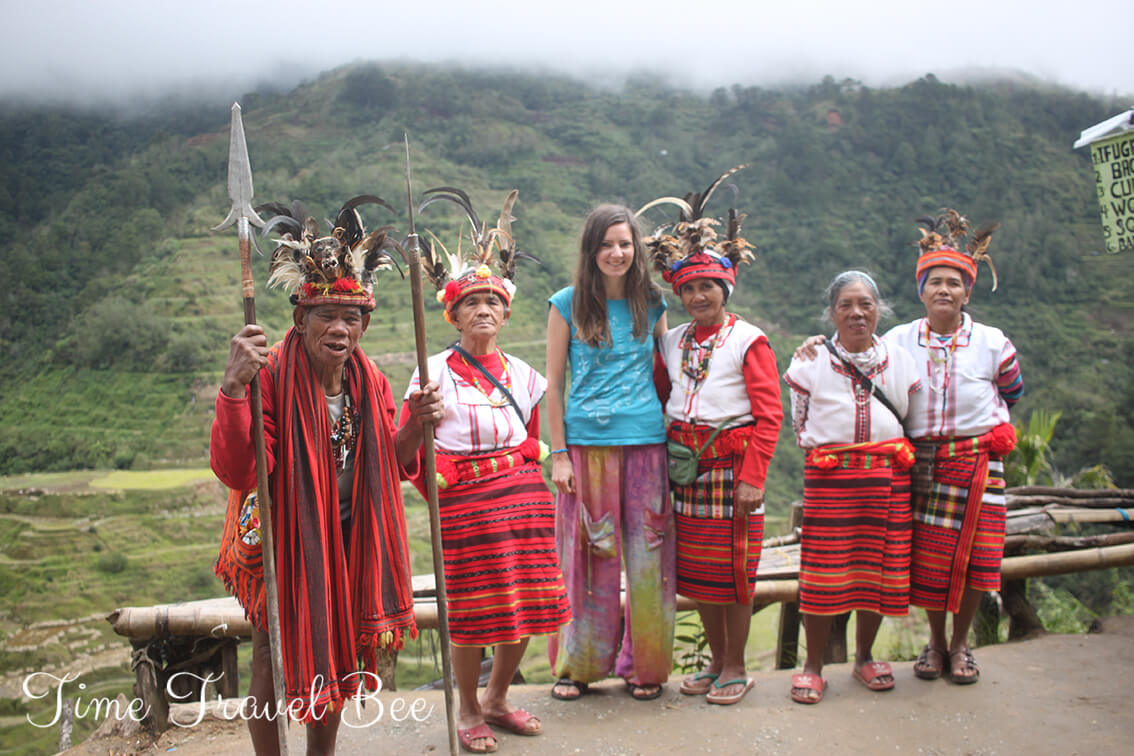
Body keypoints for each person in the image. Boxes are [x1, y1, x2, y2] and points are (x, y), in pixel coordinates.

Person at [211, 197, 443, 755]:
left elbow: (389, 460)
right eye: (326, 315)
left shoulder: (371, 381)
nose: (340, 328)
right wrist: (235, 388)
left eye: (351, 317)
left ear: (365, 324)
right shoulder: (269, 377)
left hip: (346, 538)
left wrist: (417, 424)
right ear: (300, 319)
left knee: (338, 652)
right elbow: (241, 470)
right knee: (270, 653)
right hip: (280, 537)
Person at [400, 188, 571, 754]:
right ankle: (469, 707)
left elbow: (536, 437)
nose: (483, 311)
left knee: (528, 603)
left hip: (524, 502)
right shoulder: (431, 372)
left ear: (505, 312)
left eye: (492, 302)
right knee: (473, 613)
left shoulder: (524, 374)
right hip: (466, 508)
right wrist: (423, 437)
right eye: (471, 303)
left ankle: (498, 697)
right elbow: (407, 451)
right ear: (452, 314)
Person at [648, 196, 782, 707]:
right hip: (687, 471)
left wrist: (754, 478)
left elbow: (769, 415)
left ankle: (736, 666)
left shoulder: (749, 340)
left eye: (707, 286)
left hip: (733, 471)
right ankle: (716, 661)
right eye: (688, 288)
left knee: (736, 573)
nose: (698, 295)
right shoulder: (673, 342)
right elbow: (659, 396)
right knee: (701, 574)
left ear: (725, 288)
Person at [884, 210, 1022, 685]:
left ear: (968, 292)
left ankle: (961, 645)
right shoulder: (897, 341)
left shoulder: (993, 343)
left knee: (976, 560)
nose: (944, 290)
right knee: (930, 559)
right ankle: (936, 642)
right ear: (921, 290)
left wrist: (982, 430)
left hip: (979, 463)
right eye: (935, 282)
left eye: (954, 283)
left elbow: (1012, 391)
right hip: (922, 463)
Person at [545, 204, 673, 702]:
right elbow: (554, 383)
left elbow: (668, 370)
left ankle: (646, 668)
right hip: (587, 447)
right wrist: (559, 454)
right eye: (606, 244)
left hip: (647, 445)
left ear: (636, 248)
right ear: (591, 250)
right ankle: (578, 667)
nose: (616, 253)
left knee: (648, 559)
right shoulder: (567, 304)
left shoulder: (653, 303)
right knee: (585, 557)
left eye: (624, 244)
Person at [782, 271, 921, 704]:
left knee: (879, 571)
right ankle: (812, 667)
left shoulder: (901, 360)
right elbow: (800, 424)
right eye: (846, 305)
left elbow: (910, 419)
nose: (857, 313)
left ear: (880, 310)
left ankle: (865, 658)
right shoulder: (809, 362)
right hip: (831, 479)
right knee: (822, 574)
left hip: (888, 478)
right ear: (832, 313)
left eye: (866, 304)